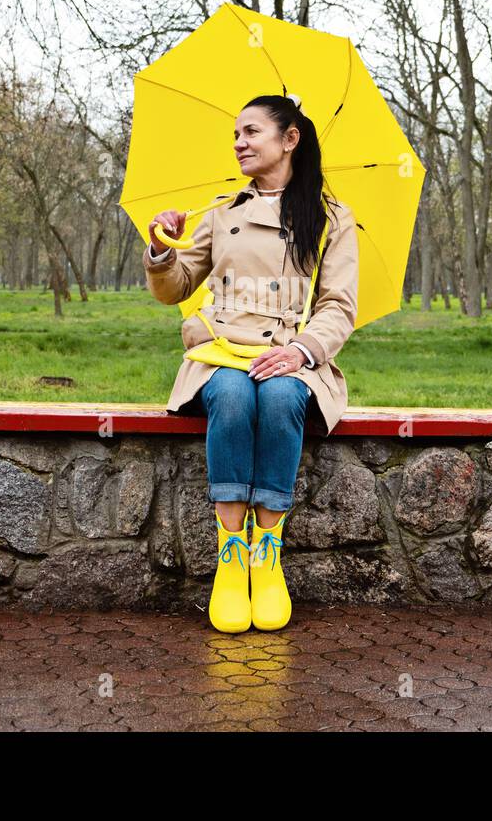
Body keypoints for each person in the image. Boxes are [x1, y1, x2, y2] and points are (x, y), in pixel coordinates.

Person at [144, 93, 359, 634]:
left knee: (284, 395)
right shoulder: (221, 211)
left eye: (251, 132)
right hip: (222, 346)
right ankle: (230, 553)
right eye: (236, 134)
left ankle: (268, 553)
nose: (238, 143)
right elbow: (176, 289)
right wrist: (162, 248)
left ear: (290, 140)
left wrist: (300, 352)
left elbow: (338, 305)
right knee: (236, 395)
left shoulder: (331, 218)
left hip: (290, 349)